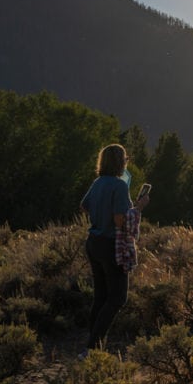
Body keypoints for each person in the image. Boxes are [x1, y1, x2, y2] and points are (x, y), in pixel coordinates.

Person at [80, 143, 149, 356]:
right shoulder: (119, 186)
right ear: (121, 162)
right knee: (118, 298)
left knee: (101, 296)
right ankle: (92, 349)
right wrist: (138, 208)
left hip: (94, 241)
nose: (126, 162)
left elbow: (84, 206)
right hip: (111, 244)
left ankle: (92, 345)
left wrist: (101, 212)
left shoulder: (98, 182)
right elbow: (120, 220)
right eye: (125, 159)